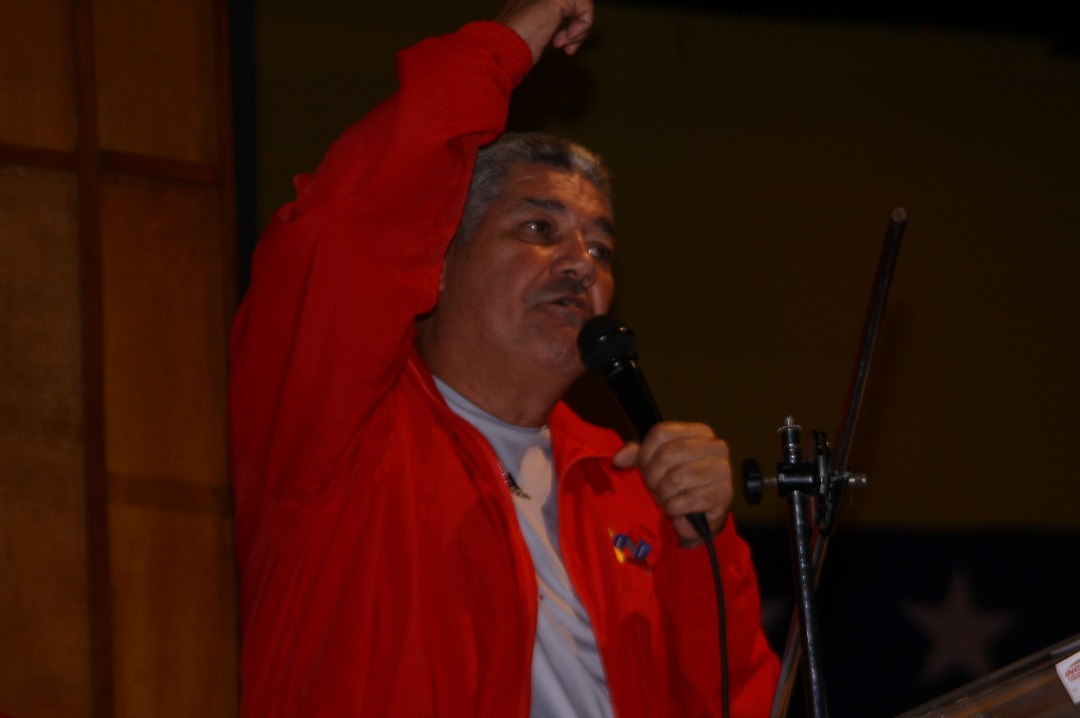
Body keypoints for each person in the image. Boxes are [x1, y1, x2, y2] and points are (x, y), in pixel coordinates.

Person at [228, 0, 779, 715]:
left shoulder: (625, 487)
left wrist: (704, 540)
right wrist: (504, 47)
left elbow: (731, 702)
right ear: (436, 263)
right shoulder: (339, 434)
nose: (581, 264)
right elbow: (341, 231)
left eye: (601, 248)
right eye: (538, 228)